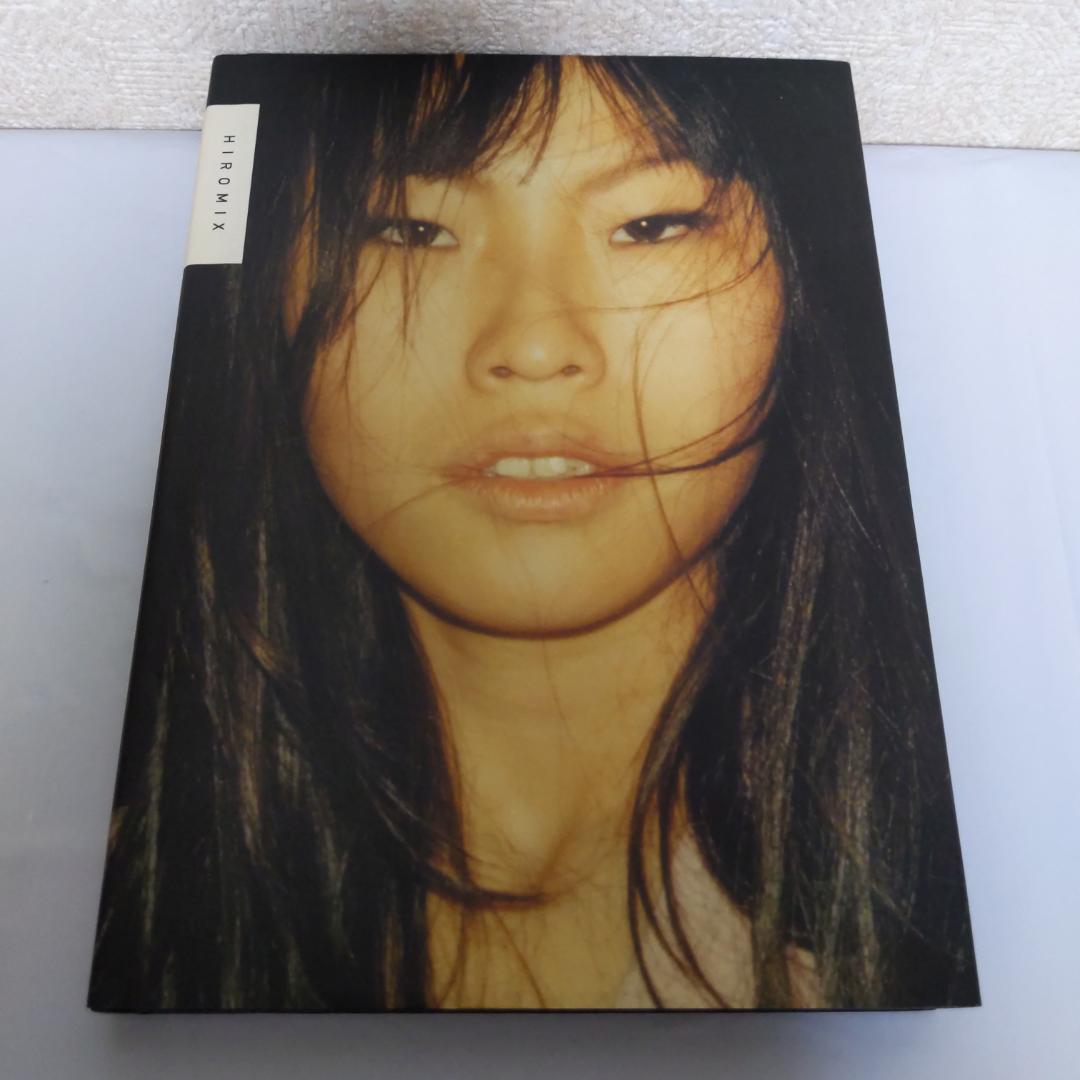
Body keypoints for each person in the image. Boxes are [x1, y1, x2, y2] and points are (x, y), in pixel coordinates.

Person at [89, 54, 979, 1011]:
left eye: (651, 225)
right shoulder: (125, 912)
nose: (534, 345)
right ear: (265, 290)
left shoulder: (922, 925)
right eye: (411, 229)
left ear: (802, 284)